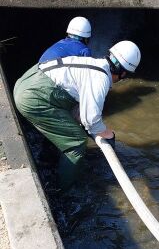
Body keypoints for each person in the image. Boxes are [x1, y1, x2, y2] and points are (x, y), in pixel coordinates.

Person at [14, 41, 141, 190]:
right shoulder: (101, 79)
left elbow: (79, 107)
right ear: (123, 73)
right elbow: (91, 119)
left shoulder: (92, 62)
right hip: (32, 97)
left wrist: (91, 125)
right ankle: (64, 191)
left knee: (68, 125)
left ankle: (47, 160)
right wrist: (107, 134)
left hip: (25, 82)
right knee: (77, 141)